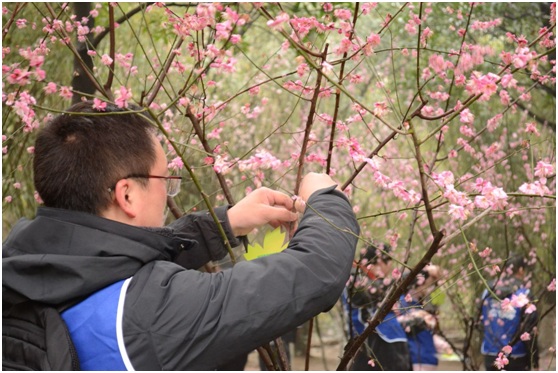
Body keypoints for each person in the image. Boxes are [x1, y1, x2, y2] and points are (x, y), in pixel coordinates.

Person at [2, 101, 360, 370]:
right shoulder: (154, 316)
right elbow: (316, 271)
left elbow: (110, 265)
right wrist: (323, 196)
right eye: (164, 180)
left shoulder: (23, 269)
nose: (167, 191)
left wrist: (224, 223)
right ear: (127, 194)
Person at [342, 243, 411, 371]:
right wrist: (417, 274)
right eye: (389, 262)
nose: (390, 268)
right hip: (375, 339)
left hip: (385, 338)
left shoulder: (367, 279)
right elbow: (375, 291)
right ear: (379, 261)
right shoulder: (356, 278)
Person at [480, 255, 539, 371]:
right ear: (521, 270)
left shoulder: (487, 291)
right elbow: (529, 329)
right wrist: (535, 361)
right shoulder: (524, 294)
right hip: (517, 356)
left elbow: (481, 322)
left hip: (490, 353)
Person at [398, 265, 441, 371]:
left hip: (426, 357)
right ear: (417, 285)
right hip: (417, 359)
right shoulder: (403, 304)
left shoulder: (417, 305)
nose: (429, 288)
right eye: (427, 284)